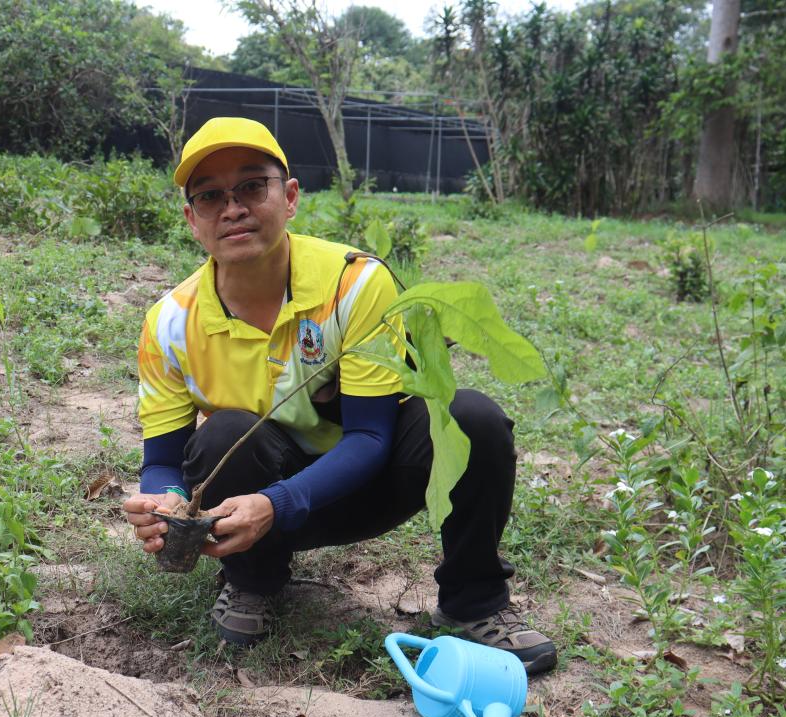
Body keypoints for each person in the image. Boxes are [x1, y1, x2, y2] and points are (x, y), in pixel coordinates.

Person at [121, 117, 557, 675]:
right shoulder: (169, 323)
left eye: (253, 186)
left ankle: (477, 602)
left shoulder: (354, 282)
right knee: (226, 434)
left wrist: (275, 503)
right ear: (191, 220)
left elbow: (372, 436)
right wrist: (161, 500)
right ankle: (254, 581)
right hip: (260, 504)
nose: (233, 208)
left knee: (471, 417)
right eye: (210, 196)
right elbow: (161, 460)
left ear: (291, 196)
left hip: (373, 481)